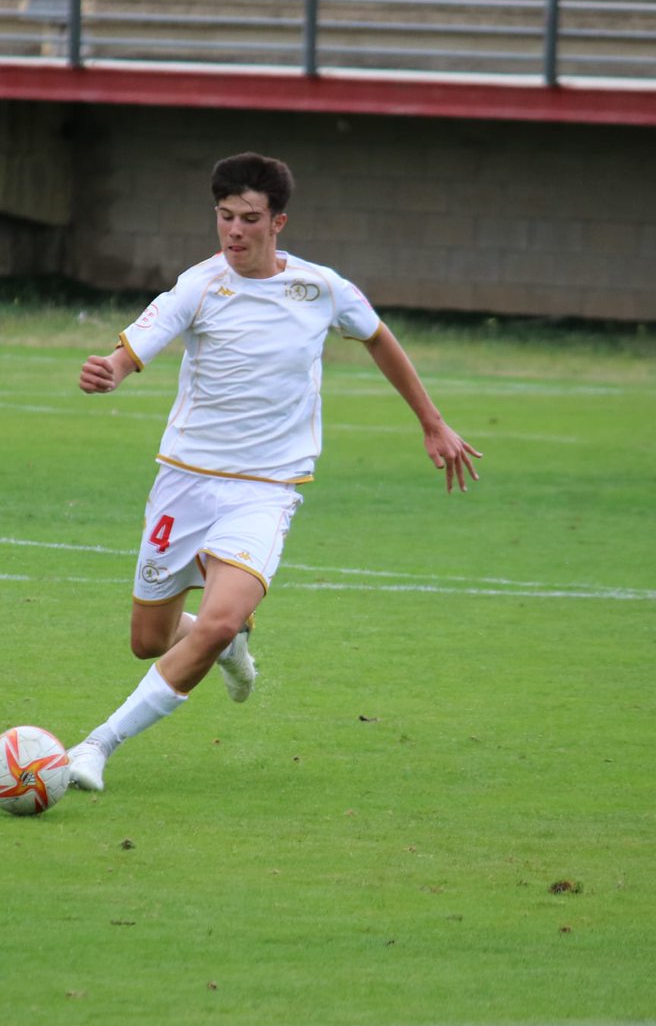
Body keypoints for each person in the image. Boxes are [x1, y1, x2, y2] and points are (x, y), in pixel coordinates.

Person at [66, 151, 481, 793]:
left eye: (249, 218)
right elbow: (137, 344)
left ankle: (97, 745)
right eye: (225, 216)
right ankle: (228, 646)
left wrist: (432, 421)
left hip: (265, 488)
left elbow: (377, 336)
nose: (234, 231)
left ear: (277, 223)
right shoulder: (199, 285)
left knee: (217, 620)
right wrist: (109, 372)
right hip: (184, 481)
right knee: (149, 640)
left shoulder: (321, 288)